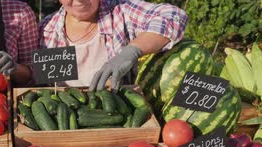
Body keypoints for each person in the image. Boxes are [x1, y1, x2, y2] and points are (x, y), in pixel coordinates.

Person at [39, 0, 187, 90]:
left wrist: (132, 51)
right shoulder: (46, 29)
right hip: (64, 124)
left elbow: (173, 15)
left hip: (116, 115)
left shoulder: (121, 12)